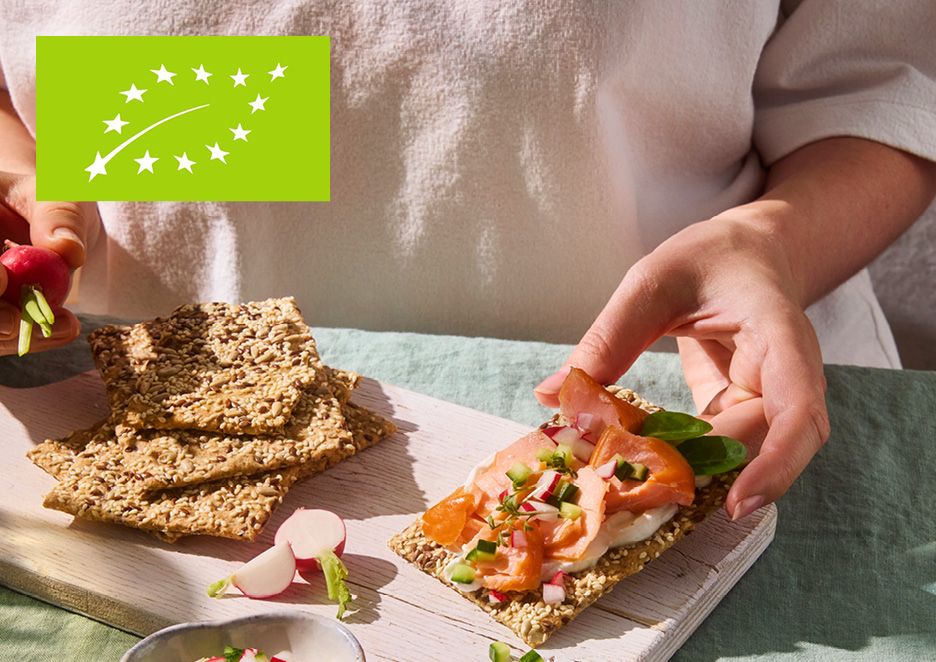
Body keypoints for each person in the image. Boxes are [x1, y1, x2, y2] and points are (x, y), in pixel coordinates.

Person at [1, 1, 934, 523]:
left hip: (702, 386)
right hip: (120, 403)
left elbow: (888, 80)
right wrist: (17, 173)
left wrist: (773, 242)